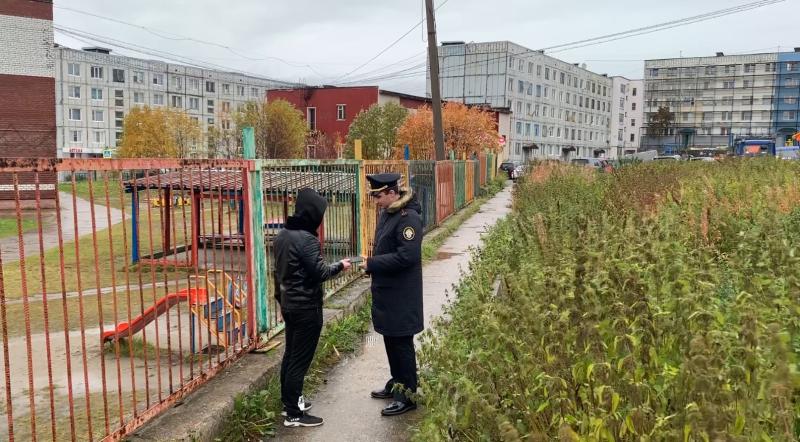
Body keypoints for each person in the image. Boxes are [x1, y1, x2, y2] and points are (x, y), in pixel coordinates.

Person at [273, 188, 351, 427]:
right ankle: (294, 415)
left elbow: (278, 273)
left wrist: (281, 299)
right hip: (307, 308)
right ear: (313, 214)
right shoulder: (307, 239)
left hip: (289, 305)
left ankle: (289, 403)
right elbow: (320, 273)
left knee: (290, 355)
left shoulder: (283, 235)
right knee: (299, 361)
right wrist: (340, 265)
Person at [359, 173, 423, 416]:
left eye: (378, 196)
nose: (375, 201)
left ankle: (408, 395)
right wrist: (372, 264)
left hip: (401, 294)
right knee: (390, 339)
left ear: (392, 193)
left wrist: (373, 263)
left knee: (401, 343)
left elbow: (407, 256)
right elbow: (386, 248)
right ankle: (397, 382)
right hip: (388, 291)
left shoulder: (408, 218)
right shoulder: (389, 213)